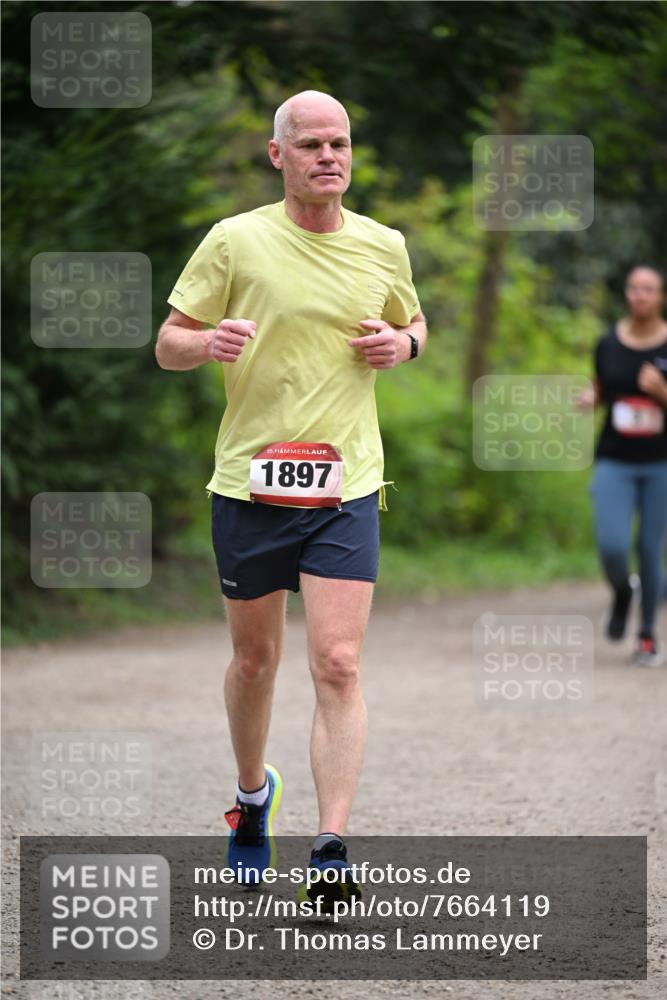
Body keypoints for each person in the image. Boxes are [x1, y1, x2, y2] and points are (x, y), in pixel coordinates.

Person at [155, 91, 427, 899]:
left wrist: (404, 344)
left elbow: (414, 324)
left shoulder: (383, 244)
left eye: (338, 142)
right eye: (309, 144)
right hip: (250, 484)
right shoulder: (234, 240)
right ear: (278, 155)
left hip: (346, 484)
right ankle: (250, 799)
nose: (327, 156)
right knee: (255, 661)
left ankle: (330, 849)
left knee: (338, 663)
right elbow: (167, 343)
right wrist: (205, 341)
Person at [579, 265, 667, 666]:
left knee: (649, 549)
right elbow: (602, 386)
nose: (640, 295)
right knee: (612, 546)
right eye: (634, 288)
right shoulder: (608, 342)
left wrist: (661, 392)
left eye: (648, 289)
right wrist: (591, 398)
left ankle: (646, 635)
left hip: (660, 462)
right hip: (614, 458)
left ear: (660, 296)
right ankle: (622, 592)